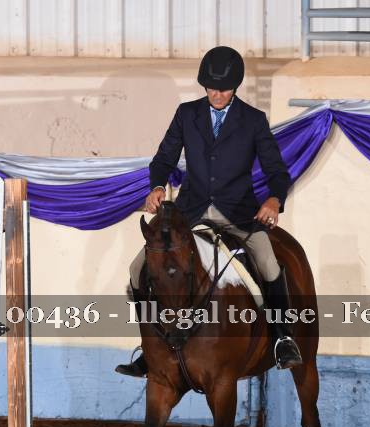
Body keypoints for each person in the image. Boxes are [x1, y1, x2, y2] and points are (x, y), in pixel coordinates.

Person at [116, 45, 302, 378]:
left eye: (224, 89)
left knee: (269, 263)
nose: (217, 94)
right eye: (212, 88)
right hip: (191, 211)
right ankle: (149, 349)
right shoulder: (187, 114)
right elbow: (163, 159)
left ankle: (282, 338)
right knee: (137, 268)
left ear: (236, 87)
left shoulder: (253, 121)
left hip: (238, 213)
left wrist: (274, 199)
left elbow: (277, 171)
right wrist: (157, 186)